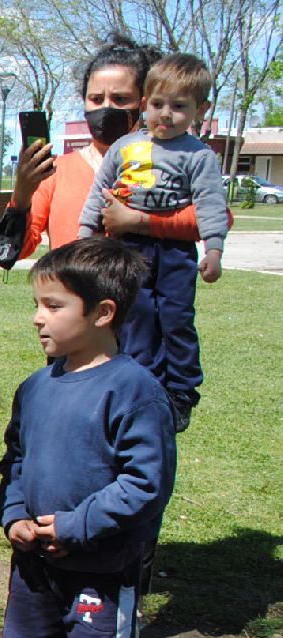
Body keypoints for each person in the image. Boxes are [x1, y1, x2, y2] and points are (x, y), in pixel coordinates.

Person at [0, 238, 176, 638]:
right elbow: (15, 461)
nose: (38, 318)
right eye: (37, 305)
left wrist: (77, 525)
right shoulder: (35, 389)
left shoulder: (135, 392)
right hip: (34, 567)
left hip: (101, 569)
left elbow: (145, 483)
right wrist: (13, 516)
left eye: (53, 306)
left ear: (103, 312)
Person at [78, 53, 226, 432]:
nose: (166, 115)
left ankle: (181, 392)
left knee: (176, 319)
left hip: (174, 253)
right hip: (127, 249)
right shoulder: (125, 147)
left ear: (200, 110)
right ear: (144, 105)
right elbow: (99, 192)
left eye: (179, 107)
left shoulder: (199, 156)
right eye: (158, 105)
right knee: (135, 316)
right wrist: (85, 236)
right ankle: (142, 386)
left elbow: (210, 205)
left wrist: (213, 249)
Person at [0, 35, 204, 265]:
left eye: (120, 98)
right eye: (95, 98)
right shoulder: (58, 171)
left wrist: (140, 221)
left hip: (145, 298)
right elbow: (12, 253)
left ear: (143, 103)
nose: (106, 108)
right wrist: (22, 194)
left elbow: (215, 218)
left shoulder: (176, 161)